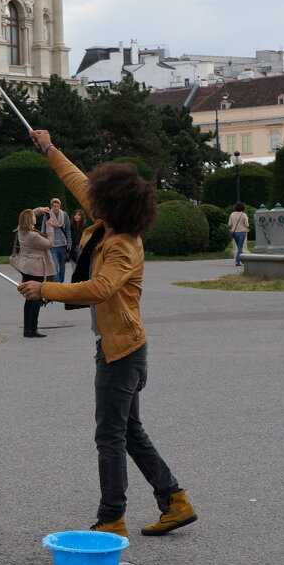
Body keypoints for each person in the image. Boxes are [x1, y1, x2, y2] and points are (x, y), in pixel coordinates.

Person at [18, 128, 196, 539]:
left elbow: (100, 288)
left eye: (100, 196)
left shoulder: (122, 245)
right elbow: (79, 181)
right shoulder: (109, 224)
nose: (92, 198)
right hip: (122, 347)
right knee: (128, 430)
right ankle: (175, 501)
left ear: (114, 204)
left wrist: (43, 288)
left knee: (109, 435)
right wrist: (49, 149)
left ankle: (112, 517)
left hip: (122, 353)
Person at [11, 206, 55, 338]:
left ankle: (28, 329)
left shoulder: (21, 230)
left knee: (29, 299)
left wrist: (38, 210)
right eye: (34, 217)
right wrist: (49, 227)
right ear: (30, 220)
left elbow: (24, 217)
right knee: (35, 298)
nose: (36, 218)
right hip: (35, 269)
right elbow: (50, 243)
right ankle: (33, 329)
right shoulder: (32, 235)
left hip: (26, 267)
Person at [41, 197, 70, 283]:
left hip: (63, 244)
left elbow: (68, 230)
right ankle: (57, 284)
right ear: (51, 207)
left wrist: (69, 242)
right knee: (54, 266)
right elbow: (43, 230)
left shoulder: (64, 215)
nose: (56, 208)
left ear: (60, 206)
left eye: (58, 206)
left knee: (63, 266)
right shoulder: (47, 216)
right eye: (54, 206)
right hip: (52, 245)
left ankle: (61, 282)